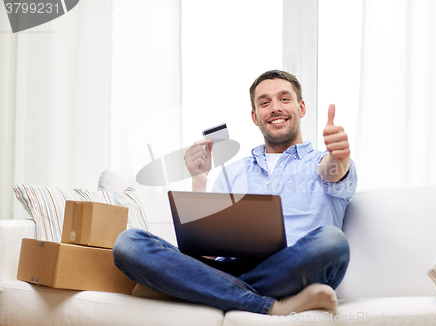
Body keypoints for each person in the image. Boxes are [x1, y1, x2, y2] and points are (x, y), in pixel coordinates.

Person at [113, 70, 357, 315]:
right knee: (129, 244)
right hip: (226, 269)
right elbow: (204, 253)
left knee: (332, 242)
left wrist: (339, 155)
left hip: (290, 269)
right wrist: (200, 179)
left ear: (301, 108)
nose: (274, 108)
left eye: (284, 99)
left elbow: (332, 172)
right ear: (255, 116)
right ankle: (268, 305)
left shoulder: (324, 163)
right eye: (264, 102)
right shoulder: (233, 172)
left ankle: (190, 290)